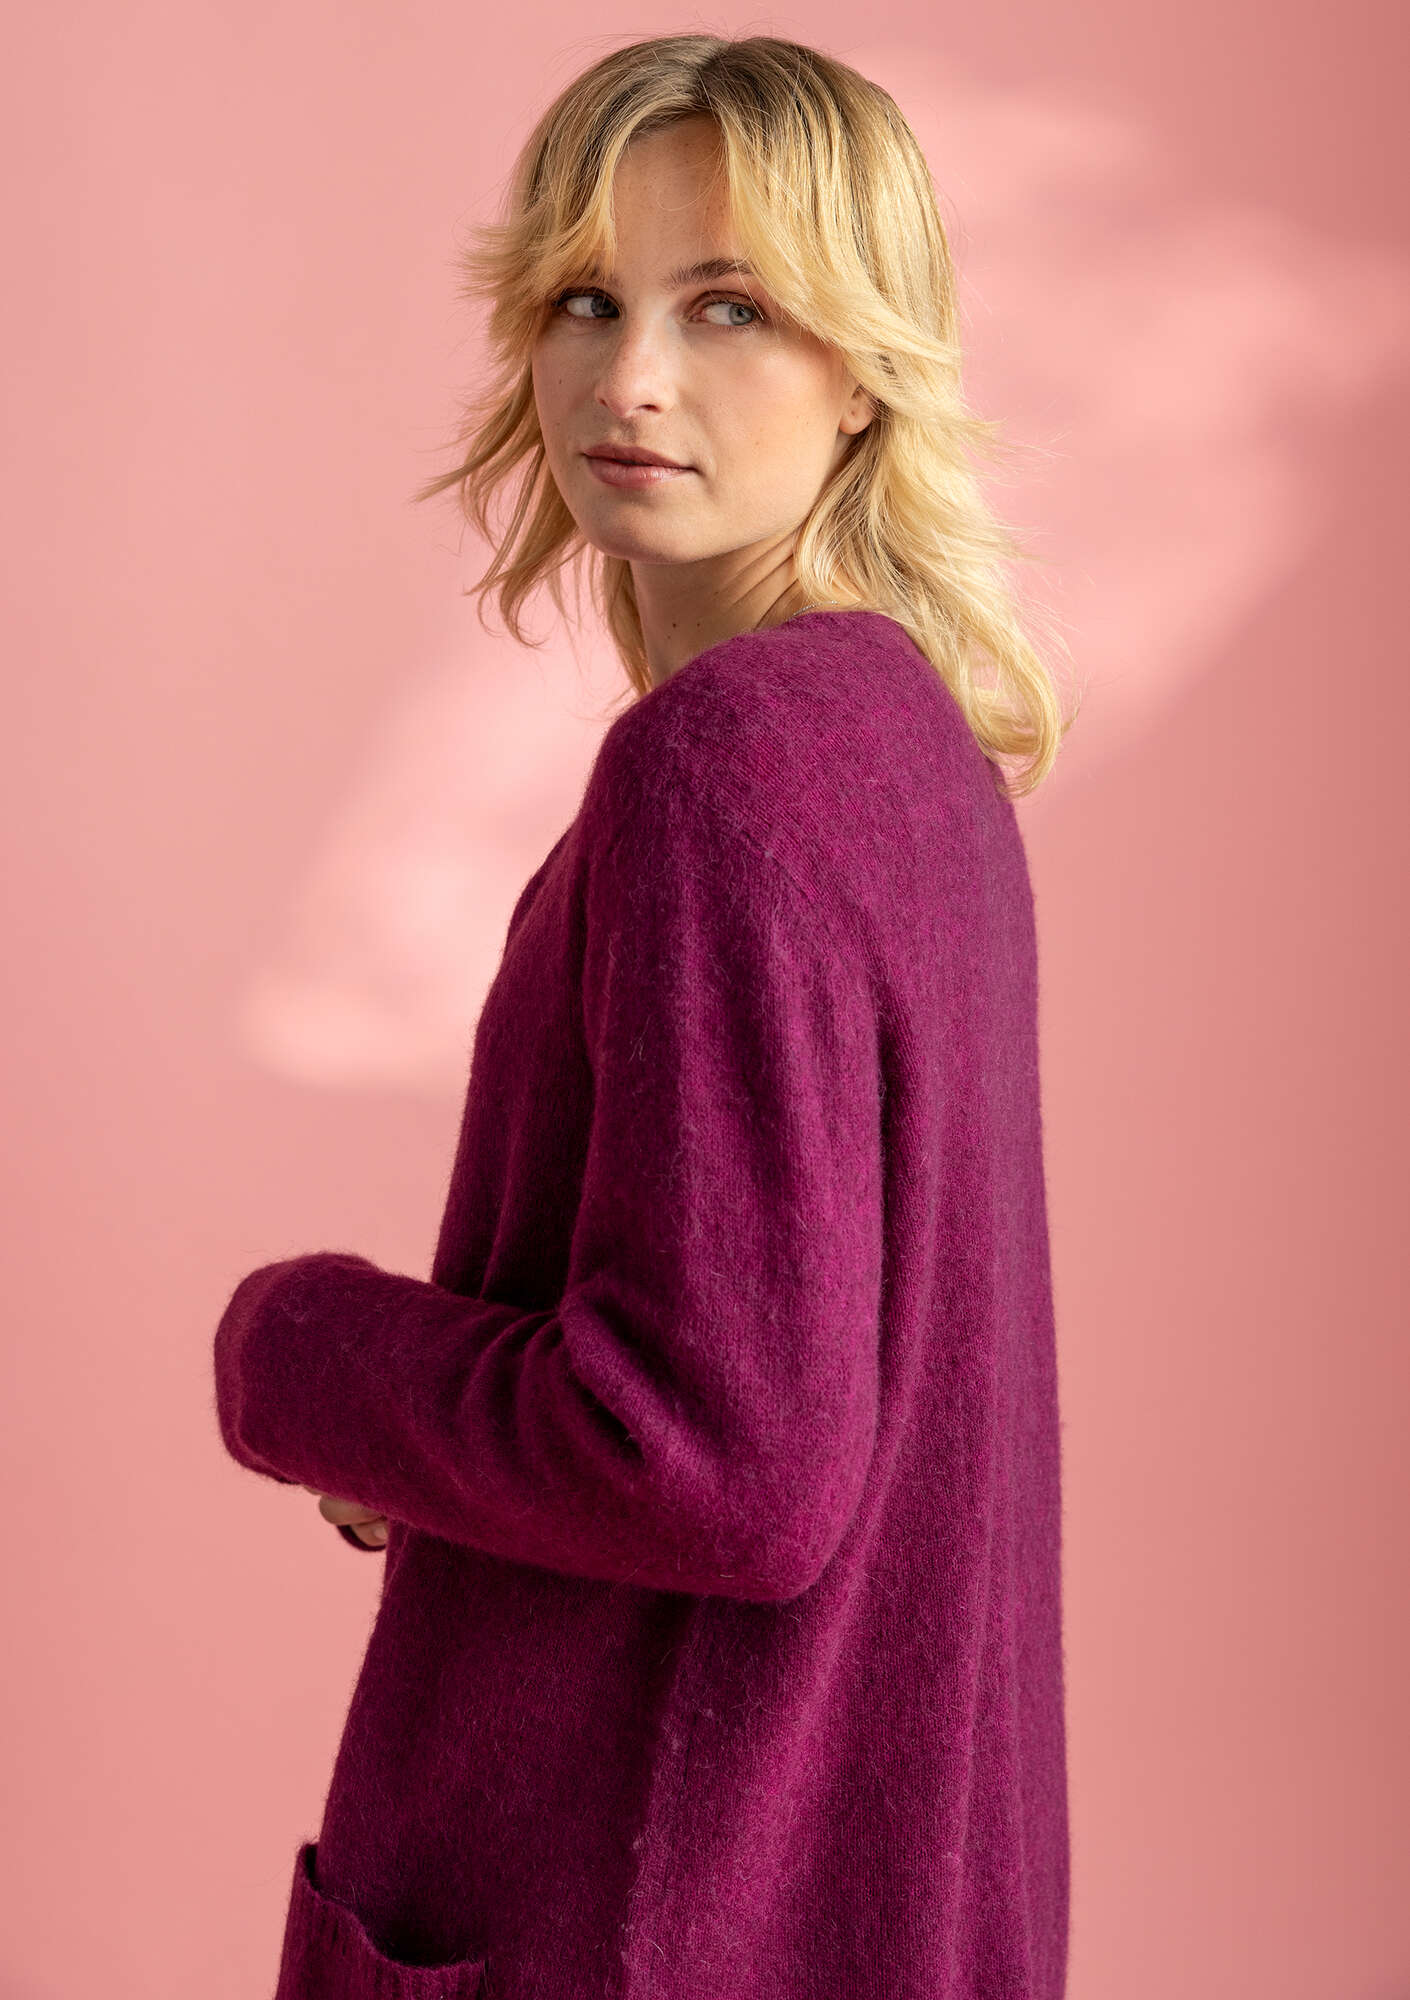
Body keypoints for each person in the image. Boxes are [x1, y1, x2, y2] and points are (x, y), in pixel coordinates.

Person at [214, 32, 1080, 2000]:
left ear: (866, 366)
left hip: (648, 1909)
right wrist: (442, 1444)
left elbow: (717, 1456)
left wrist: (304, 1352)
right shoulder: (900, 743)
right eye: (587, 300)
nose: (632, 379)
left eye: (731, 307)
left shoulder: (727, 765)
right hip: (842, 1895)